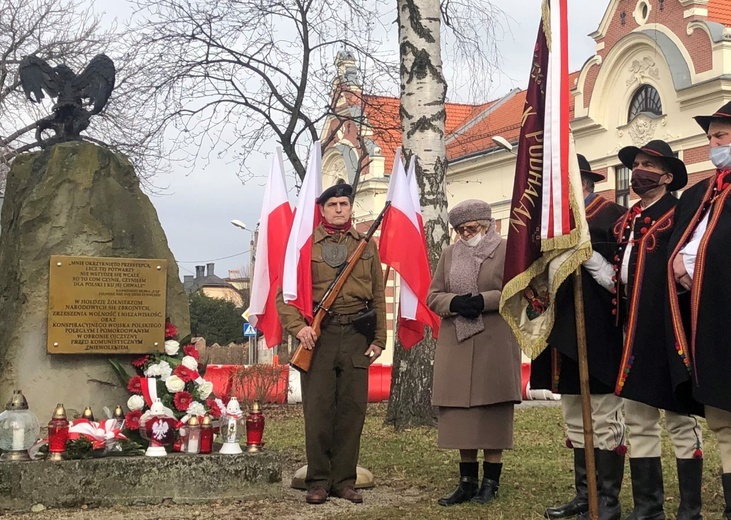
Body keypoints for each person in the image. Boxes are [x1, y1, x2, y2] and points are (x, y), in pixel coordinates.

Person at [606, 140, 703, 520]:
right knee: (638, 418)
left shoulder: (679, 215)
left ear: (666, 177)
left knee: (679, 418)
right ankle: (648, 507)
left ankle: (689, 510)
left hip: (667, 329)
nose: (639, 170)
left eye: (648, 165)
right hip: (632, 330)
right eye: (637, 164)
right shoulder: (628, 219)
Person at [276, 182, 386, 505]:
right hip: (318, 337)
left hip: (356, 334)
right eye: (332, 205)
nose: (339, 209)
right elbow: (286, 294)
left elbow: (378, 294)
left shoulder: (367, 246)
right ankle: (319, 481)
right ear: (322, 210)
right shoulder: (306, 245)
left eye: (344, 204)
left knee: (352, 410)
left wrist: (379, 338)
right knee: (319, 408)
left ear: (351, 208)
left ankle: (345, 481)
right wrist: (299, 328)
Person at [531, 155, 626, 520]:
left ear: (584, 184)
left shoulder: (611, 217)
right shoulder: (553, 225)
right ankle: (583, 493)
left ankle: (607, 500)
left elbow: (621, 279)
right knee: (574, 415)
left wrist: (586, 256)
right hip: (562, 332)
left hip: (599, 331)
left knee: (603, 416)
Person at [427, 199, 522, 506]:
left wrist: (484, 300)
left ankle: (490, 483)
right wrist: (454, 304)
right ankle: (466, 481)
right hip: (457, 340)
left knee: (492, 410)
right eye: (460, 230)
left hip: (494, 339)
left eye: (471, 228)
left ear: (487, 225)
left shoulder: (506, 250)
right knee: (460, 415)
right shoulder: (449, 254)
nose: (465, 234)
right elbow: (434, 295)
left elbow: (516, 287)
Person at [668, 100, 731, 519]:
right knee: (723, 422)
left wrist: (696, 265)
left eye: (720, 136)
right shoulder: (705, 192)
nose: (712, 143)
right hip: (707, 321)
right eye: (710, 137)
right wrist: (679, 264)